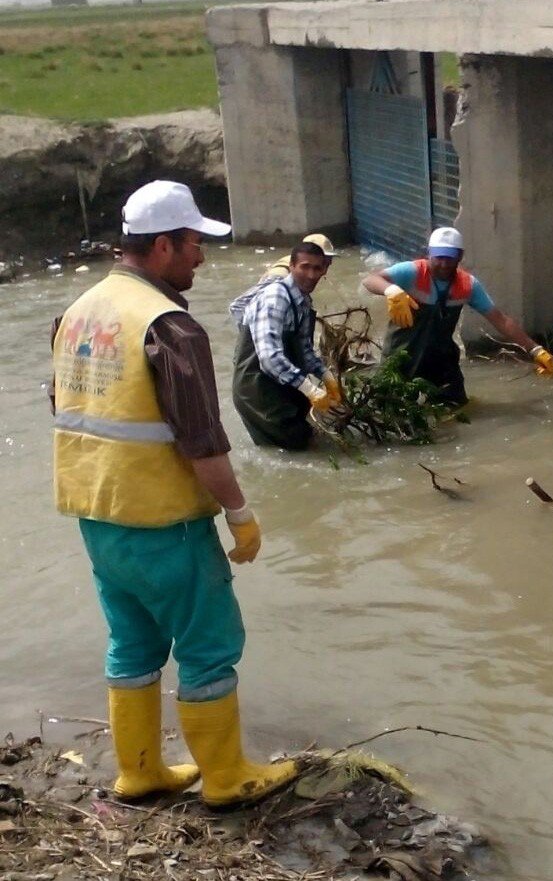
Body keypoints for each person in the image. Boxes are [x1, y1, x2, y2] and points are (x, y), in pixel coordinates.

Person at [51, 180, 297, 806]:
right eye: (193, 245)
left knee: (131, 642)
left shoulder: (78, 310)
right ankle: (226, 777)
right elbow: (202, 442)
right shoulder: (171, 328)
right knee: (209, 646)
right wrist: (240, 514)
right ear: (162, 246)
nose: (201, 258)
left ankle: (139, 771)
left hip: (98, 517)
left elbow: (63, 403)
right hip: (167, 521)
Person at [361, 226, 553, 405]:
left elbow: (501, 320)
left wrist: (535, 350)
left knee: (456, 410)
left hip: (441, 361)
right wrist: (391, 291)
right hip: (400, 357)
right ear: (429, 254)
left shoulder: (467, 285)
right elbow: (371, 280)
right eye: (439, 257)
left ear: (460, 256)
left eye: (450, 257)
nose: (444, 264)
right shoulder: (412, 272)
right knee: (388, 408)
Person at [231, 238, 341, 450]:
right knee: (299, 447)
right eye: (305, 267)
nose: (311, 275)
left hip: (282, 386)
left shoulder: (302, 300)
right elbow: (270, 358)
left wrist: (326, 376)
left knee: (310, 439)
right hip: (258, 392)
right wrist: (310, 389)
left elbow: (304, 350)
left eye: (317, 268)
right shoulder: (275, 298)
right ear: (291, 266)